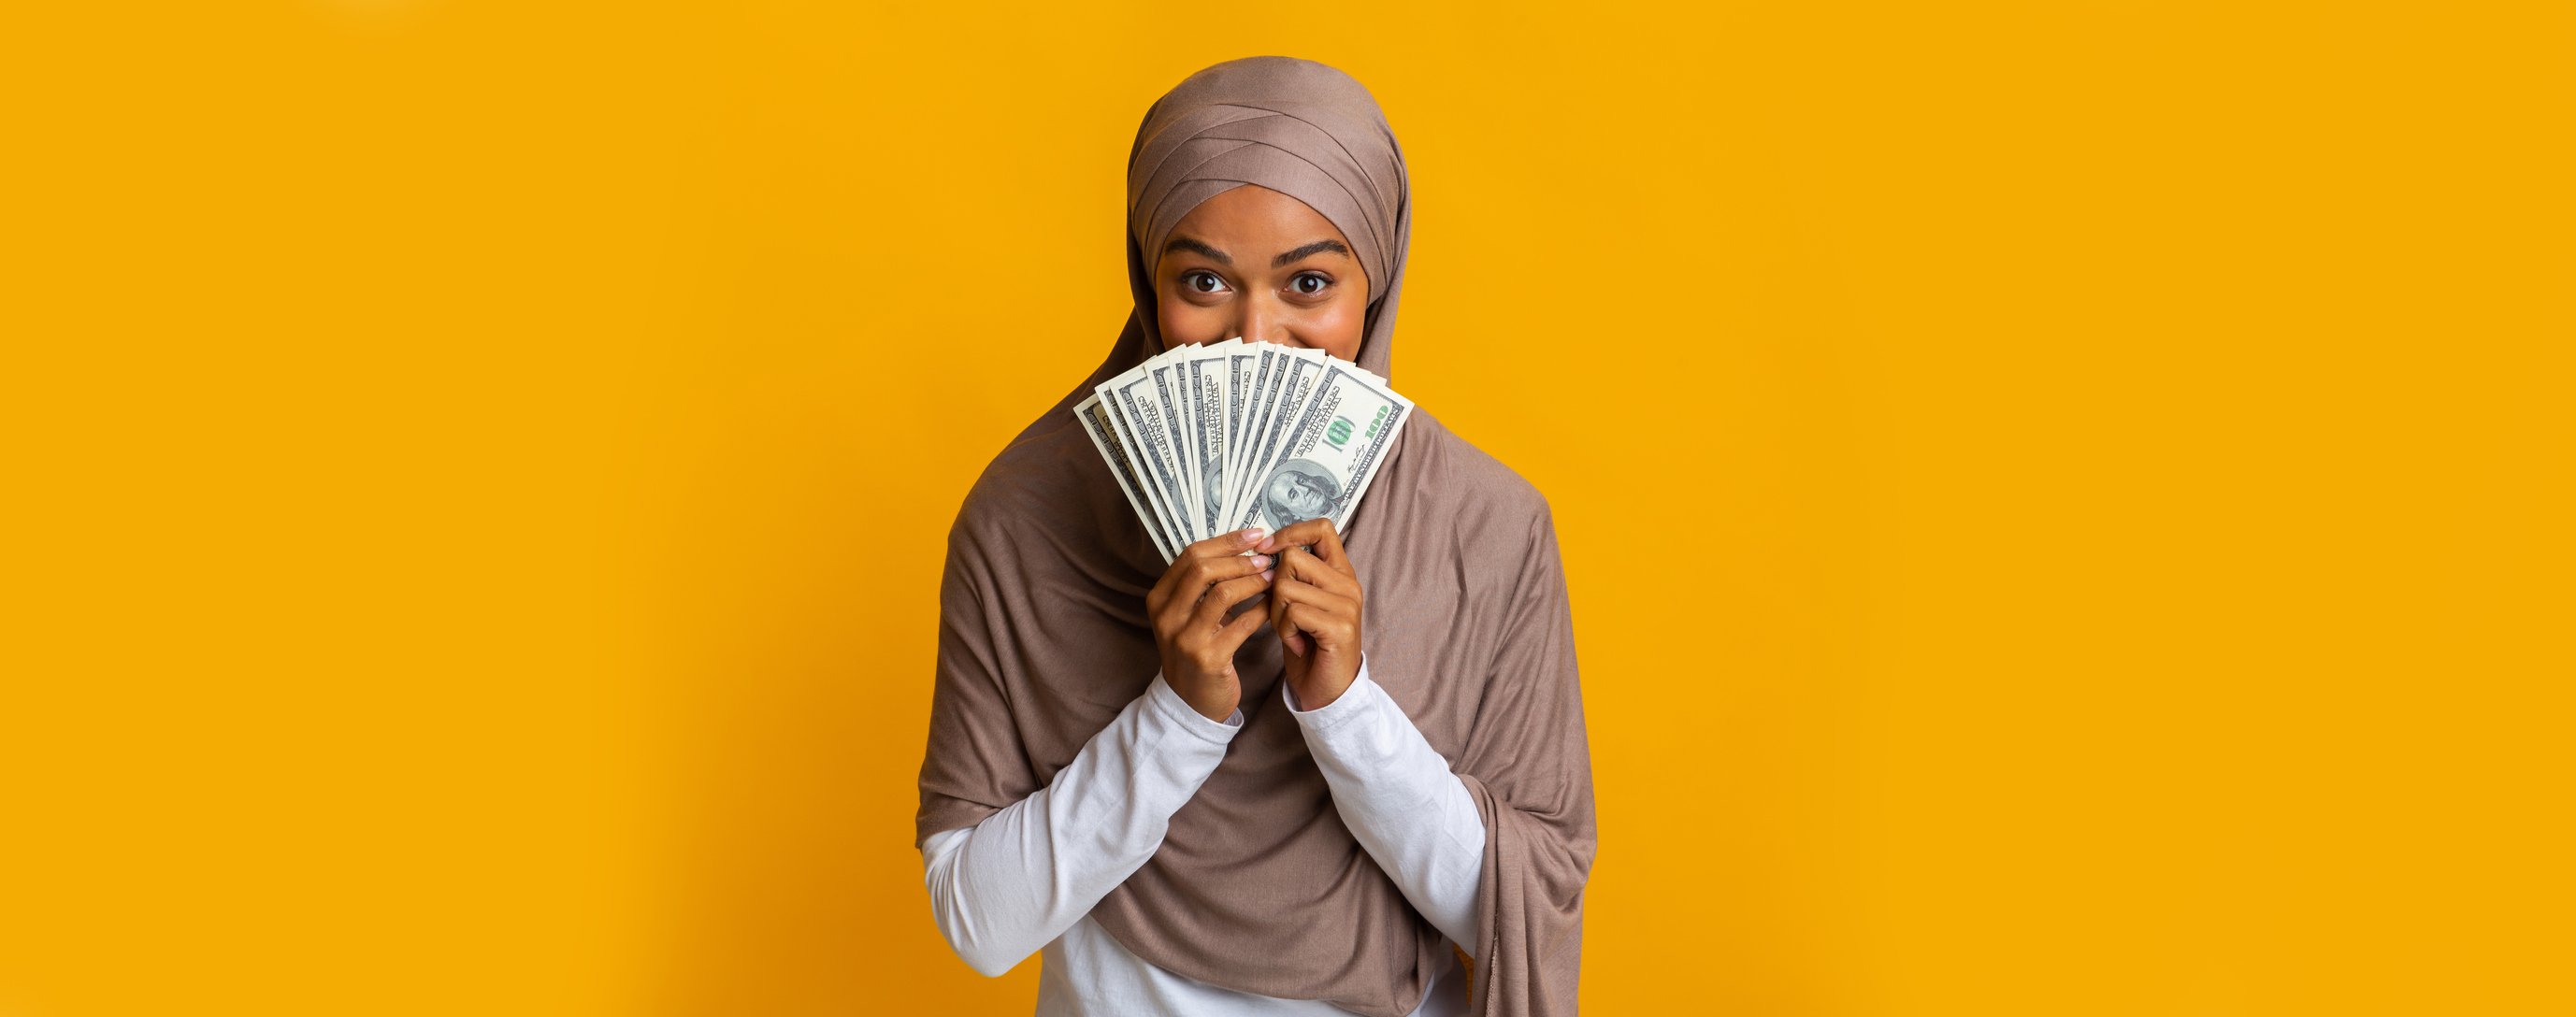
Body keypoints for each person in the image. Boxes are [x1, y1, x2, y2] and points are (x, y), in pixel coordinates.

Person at [914, 55, 1597, 1016]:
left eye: (1308, 282)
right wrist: (1178, 713)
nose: (1253, 338)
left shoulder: (1486, 525)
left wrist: (1347, 707)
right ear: (1146, 282)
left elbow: (1522, 911)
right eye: (1202, 280)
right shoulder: (1026, 513)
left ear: (1378, 277)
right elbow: (979, 924)